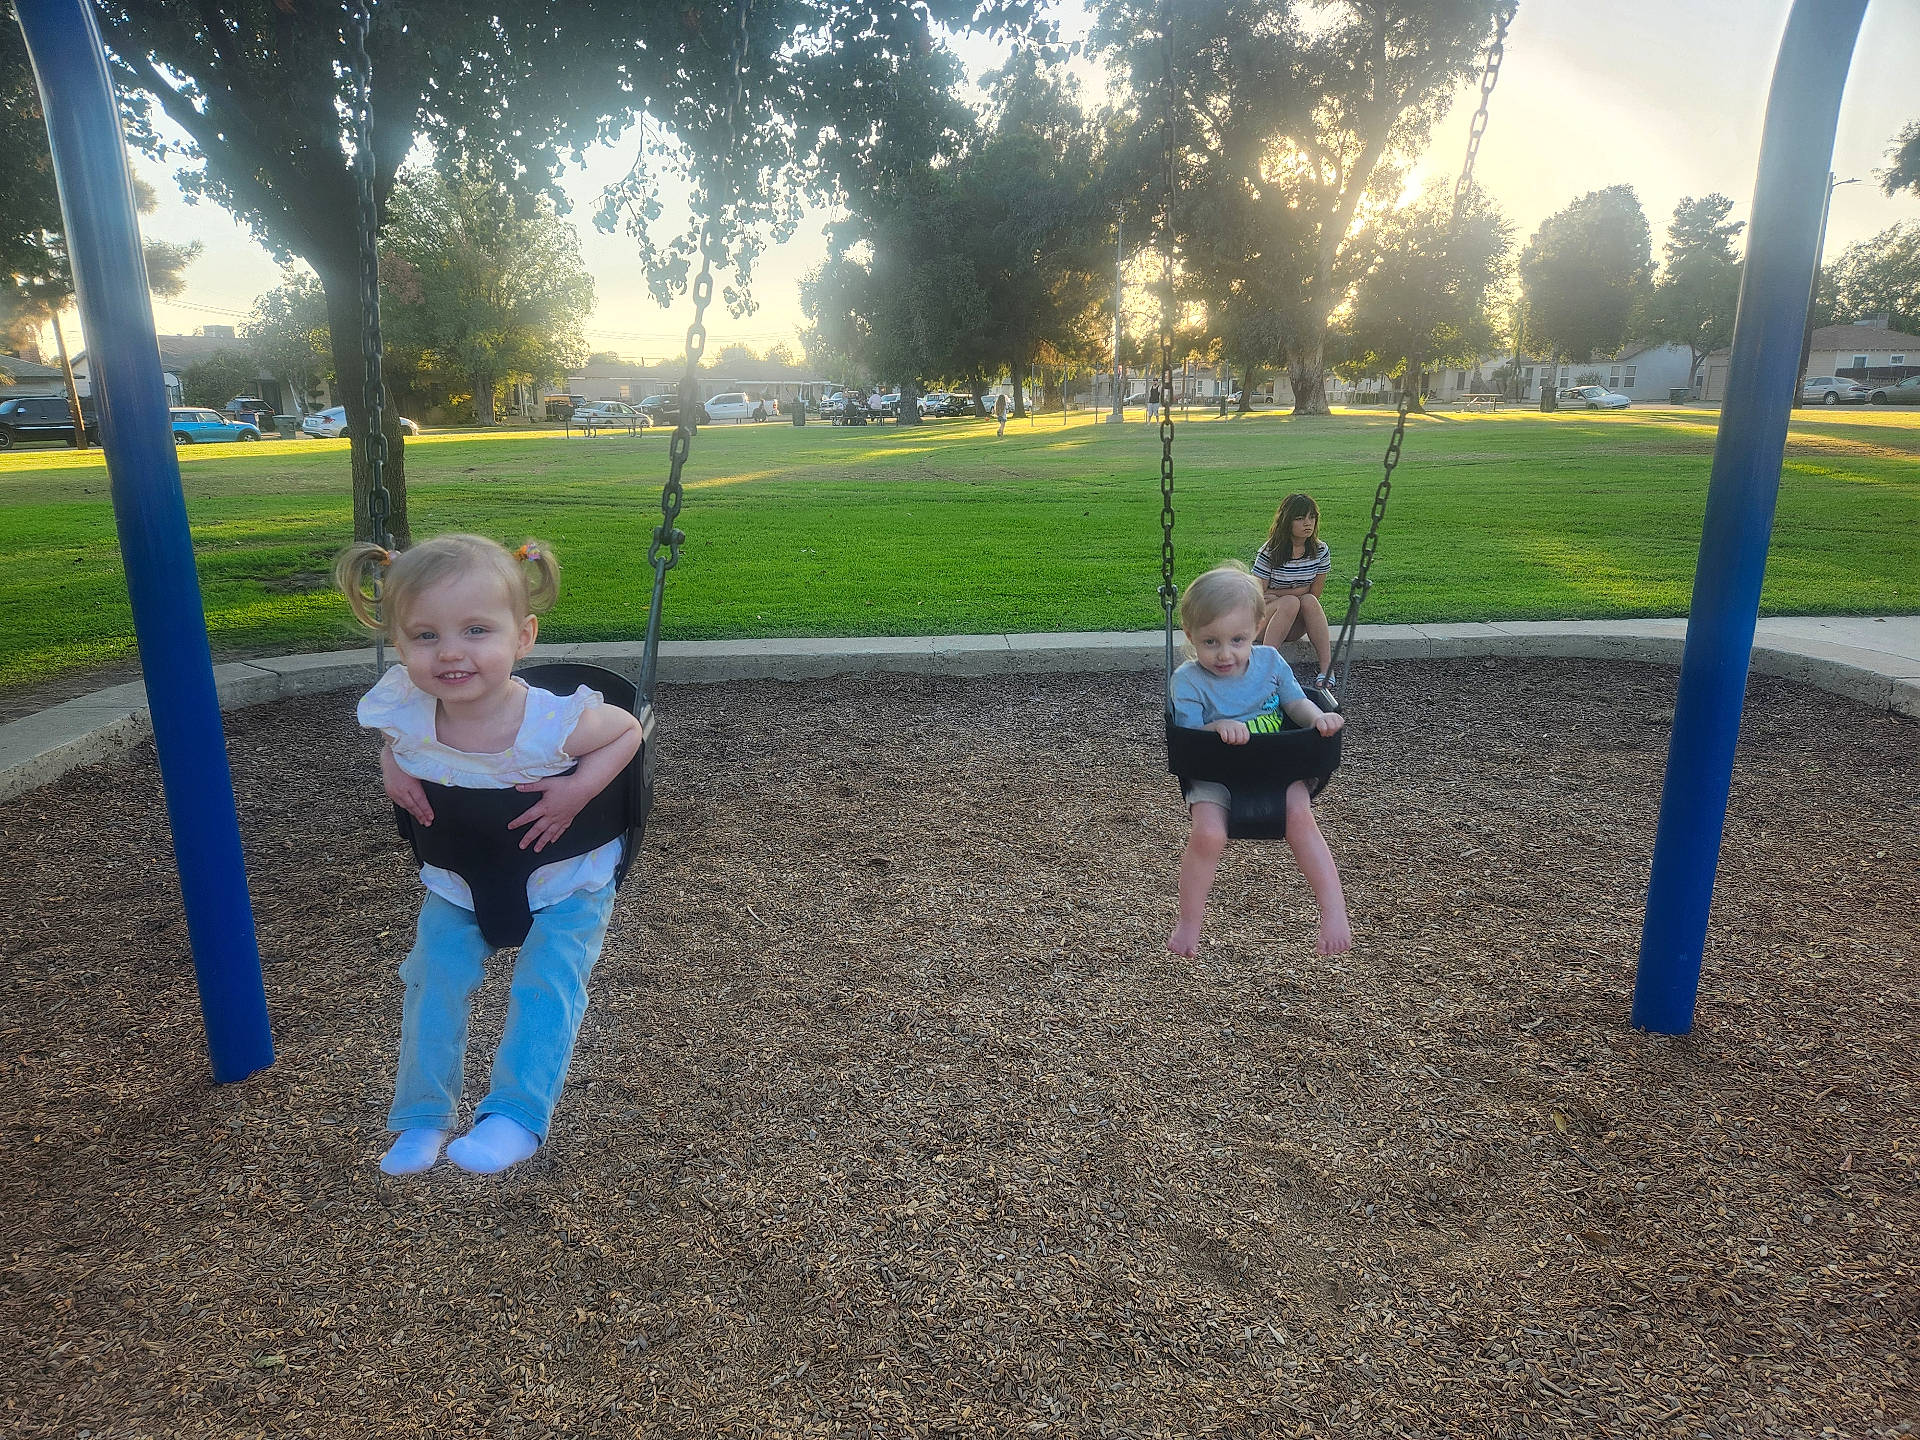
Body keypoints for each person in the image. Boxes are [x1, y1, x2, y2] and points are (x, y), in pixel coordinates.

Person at [334, 533, 643, 1177]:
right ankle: (422, 1117)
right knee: (429, 977)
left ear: (522, 637)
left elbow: (629, 731)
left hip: (567, 879)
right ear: (399, 643)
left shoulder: (554, 722)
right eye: (425, 636)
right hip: (459, 881)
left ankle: (515, 1117)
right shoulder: (406, 709)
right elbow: (396, 739)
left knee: (546, 985)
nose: (450, 652)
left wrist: (576, 791)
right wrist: (393, 769)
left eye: (477, 630)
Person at [1167, 563, 1351, 960]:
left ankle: (1333, 911)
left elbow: (1296, 703)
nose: (1225, 653)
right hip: (1216, 772)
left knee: (1300, 817)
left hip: (1277, 767)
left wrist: (1318, 719)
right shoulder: (1188, 680)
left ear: (1257, 627)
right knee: (1208, 834)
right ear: (1190, 637)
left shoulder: (1270, 663)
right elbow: (1187, 731)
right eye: (1210, 641)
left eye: (1237, 639)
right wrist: (1217, 726)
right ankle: (1189, 923)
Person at [1252, 492, 1336, 689]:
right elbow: (1257, 598)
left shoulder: (1320, 550)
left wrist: (1278, 593)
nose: (1308, 523)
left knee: (1308, 602)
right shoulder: (1269, 551)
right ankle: (1265, 668)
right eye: (1300, 518)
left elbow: (1313, 593)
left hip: (1294, 624)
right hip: (1262, 623)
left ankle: (1327, 668)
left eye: (1312, 517)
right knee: (1292, 601)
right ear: (1286, 521)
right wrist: (1296, 591)